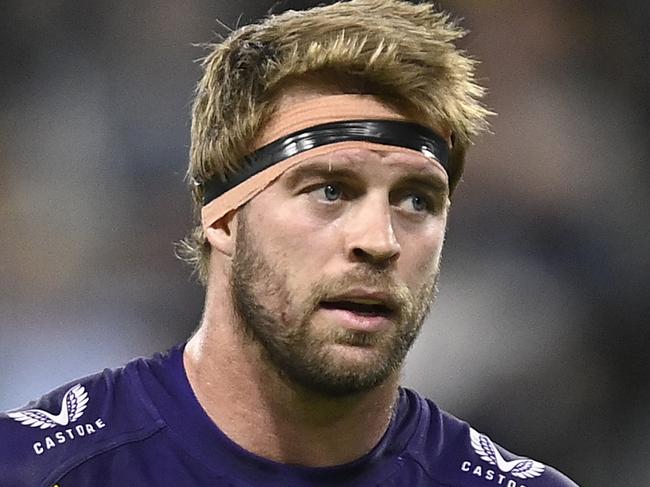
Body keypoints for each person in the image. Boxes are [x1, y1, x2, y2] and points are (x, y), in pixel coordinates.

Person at [0, 1, 579, 485]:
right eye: (330, 189)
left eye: (416, 200)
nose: (379, 241)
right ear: (221, 218)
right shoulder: (37, 471)